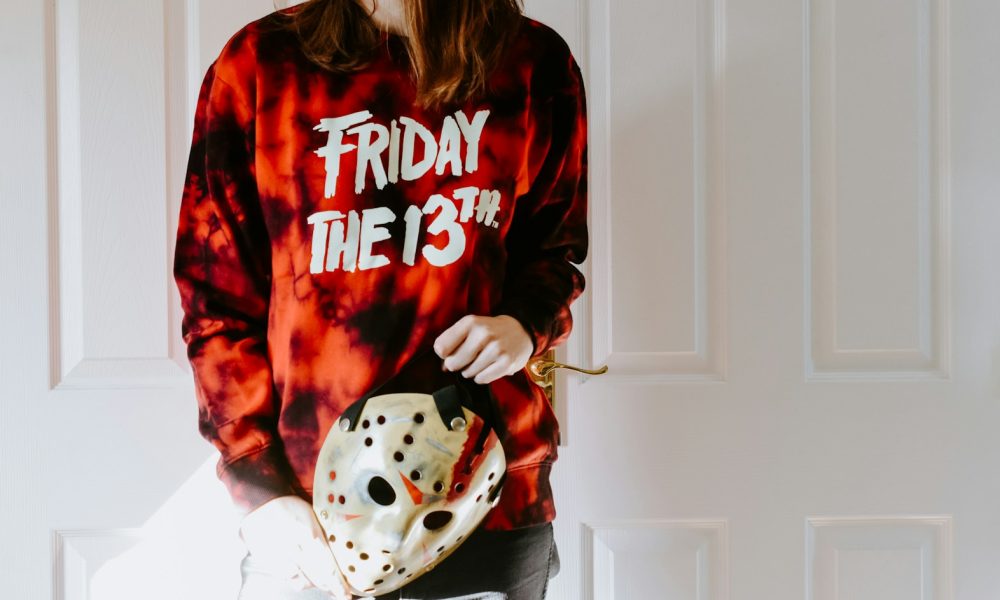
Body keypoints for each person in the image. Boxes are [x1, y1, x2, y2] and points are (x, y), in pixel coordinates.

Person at [172, 0, 588, 597]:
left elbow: (555, 245)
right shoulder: (262, 65)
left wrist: (524, 323)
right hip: (308, 507)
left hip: (483, 494)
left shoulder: (530, 62)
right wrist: (257, 481)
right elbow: (214, 293)